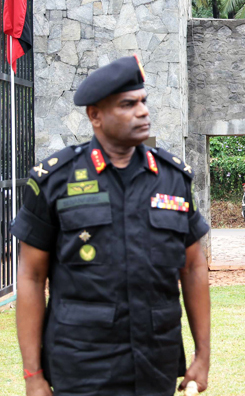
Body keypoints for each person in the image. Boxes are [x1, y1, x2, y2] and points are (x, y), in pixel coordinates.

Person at [12, 56, 211, 396]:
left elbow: (193, 267)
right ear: (95, 116)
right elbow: (31, 276)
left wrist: (203, 355)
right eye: (127, 104)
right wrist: (33, 375)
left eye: (143, 102)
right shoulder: (55, 181)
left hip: (155, 363)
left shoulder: (173, 179)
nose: (143, 111)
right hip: (81, 366)